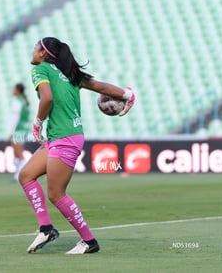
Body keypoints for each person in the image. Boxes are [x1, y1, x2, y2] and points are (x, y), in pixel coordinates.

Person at [19, 37, 135, 254]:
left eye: (36, 46)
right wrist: (127, 95)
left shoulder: (41, 70)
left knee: (56, 194)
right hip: (61, 137)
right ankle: (46, 228)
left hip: (65, 138)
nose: (33, 50)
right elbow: (99, 86)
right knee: (26, 175)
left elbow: (47, 98)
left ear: (44, 53)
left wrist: (37, 124)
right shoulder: (69, 73)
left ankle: (89, 242)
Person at [9, 83, 31, 182]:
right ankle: (17, 174)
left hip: (19, 129)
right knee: (17, 154)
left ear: (18, 90)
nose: (12, 90)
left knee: (19, 153)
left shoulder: (17, 101)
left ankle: (20, 175)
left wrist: (11, 131)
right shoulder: (24, 101)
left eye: (14, 88)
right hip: (24, 129)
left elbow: (15, 118)